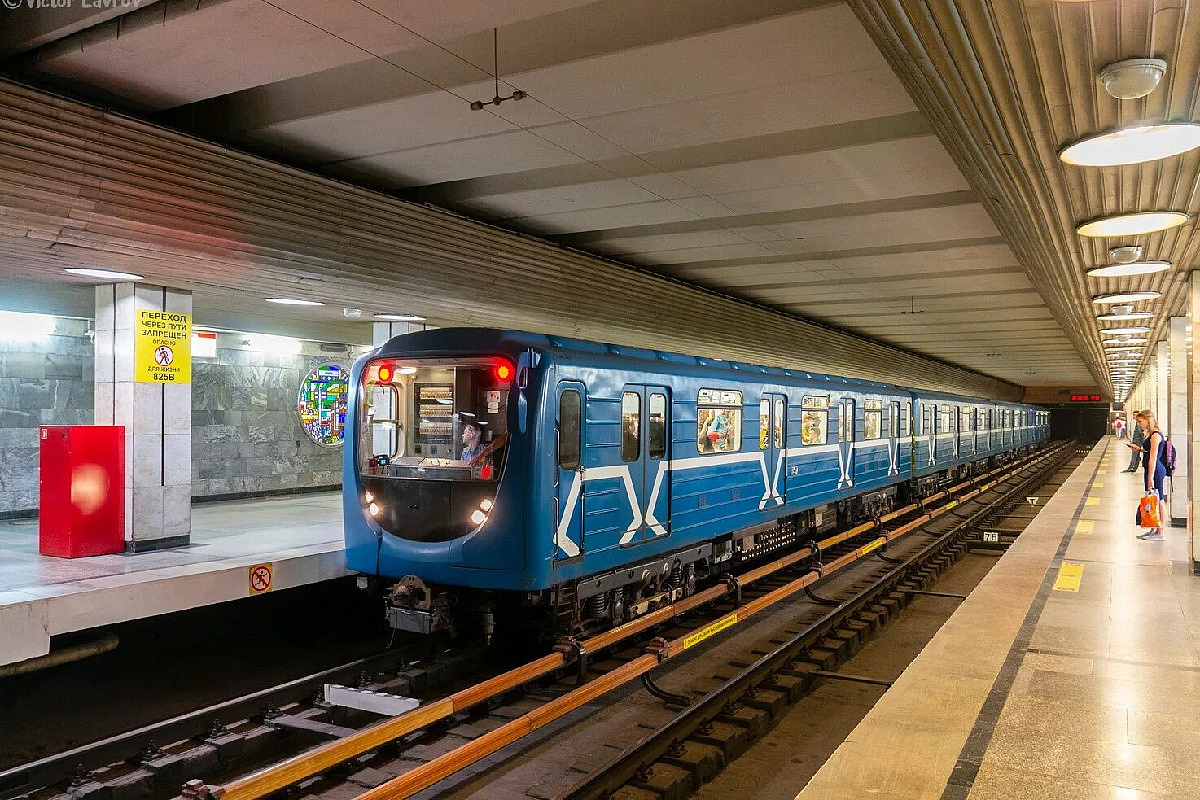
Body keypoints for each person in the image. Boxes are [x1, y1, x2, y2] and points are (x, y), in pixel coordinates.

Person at [1134, 410, 1167, 541]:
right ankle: (1153, 529)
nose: (1139, 424)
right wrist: (1139, 449)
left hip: (1155, 471)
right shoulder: (1151, 434)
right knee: (1152, 499)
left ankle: (1160, 532)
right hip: (1151, 470)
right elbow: (1148, 452)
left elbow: (1153, 457)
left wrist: (1150, 477)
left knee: (1159, 500)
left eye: (1140, 421)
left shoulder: (1155, 435)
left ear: (1148, 420)